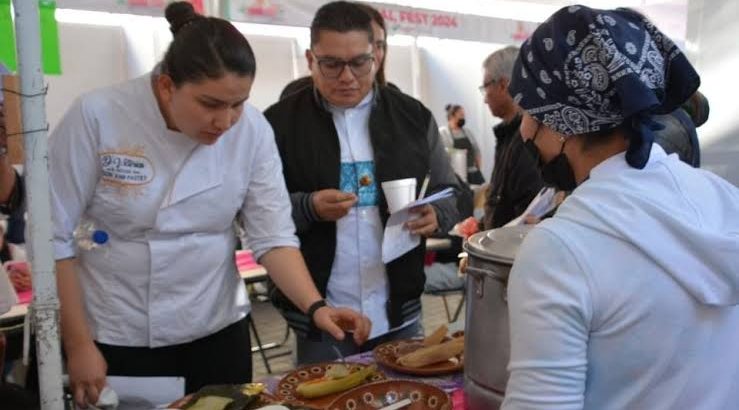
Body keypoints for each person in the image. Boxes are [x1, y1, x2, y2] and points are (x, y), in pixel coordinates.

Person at [48, 2, 370, 407]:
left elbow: (272, 236)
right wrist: (77, 344)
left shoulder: (251, 129)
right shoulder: (97, 117)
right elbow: (53, 238)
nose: (226, 121)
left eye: (238, 103)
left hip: (216, 326)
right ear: (167, 87)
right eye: (211, 104)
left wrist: (316, 306)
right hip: (120, 328)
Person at [503, 5, 739, 409]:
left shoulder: (559, 250)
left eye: (526, 111)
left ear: (561, 122)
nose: (523, 130)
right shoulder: (724, 199)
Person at [264, 1, 460, 364]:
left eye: (359, 62)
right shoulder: (279, 125)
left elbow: (451, 190)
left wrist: (437, 213)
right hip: (319, 310)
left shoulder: (413, 118)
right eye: (332, 64)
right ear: (310, 59)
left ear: (378, 56)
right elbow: (260, 215)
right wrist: (308, 207)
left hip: (398, 307)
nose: (347, 77)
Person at [479, 46, 543, 229]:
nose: (484, 99)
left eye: (486, 87)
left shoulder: (525, 139)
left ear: (503, 85)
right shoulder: (507, 136)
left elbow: (526, 209)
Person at [278, 1, 396, 101]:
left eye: (379, 45)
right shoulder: (294, 96)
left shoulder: (396, 101)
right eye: (331, 64)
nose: (373, 53)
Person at [439, 104, 484, 185]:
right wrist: (460, 152)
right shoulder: (443, 132)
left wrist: (478, 168)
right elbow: (443, 151)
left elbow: (476, 150)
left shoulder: (467, 132)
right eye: (461, 115)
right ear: (452, 116)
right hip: (455, 176)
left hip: (472, 173)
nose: (463, 118)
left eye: (464, 115)